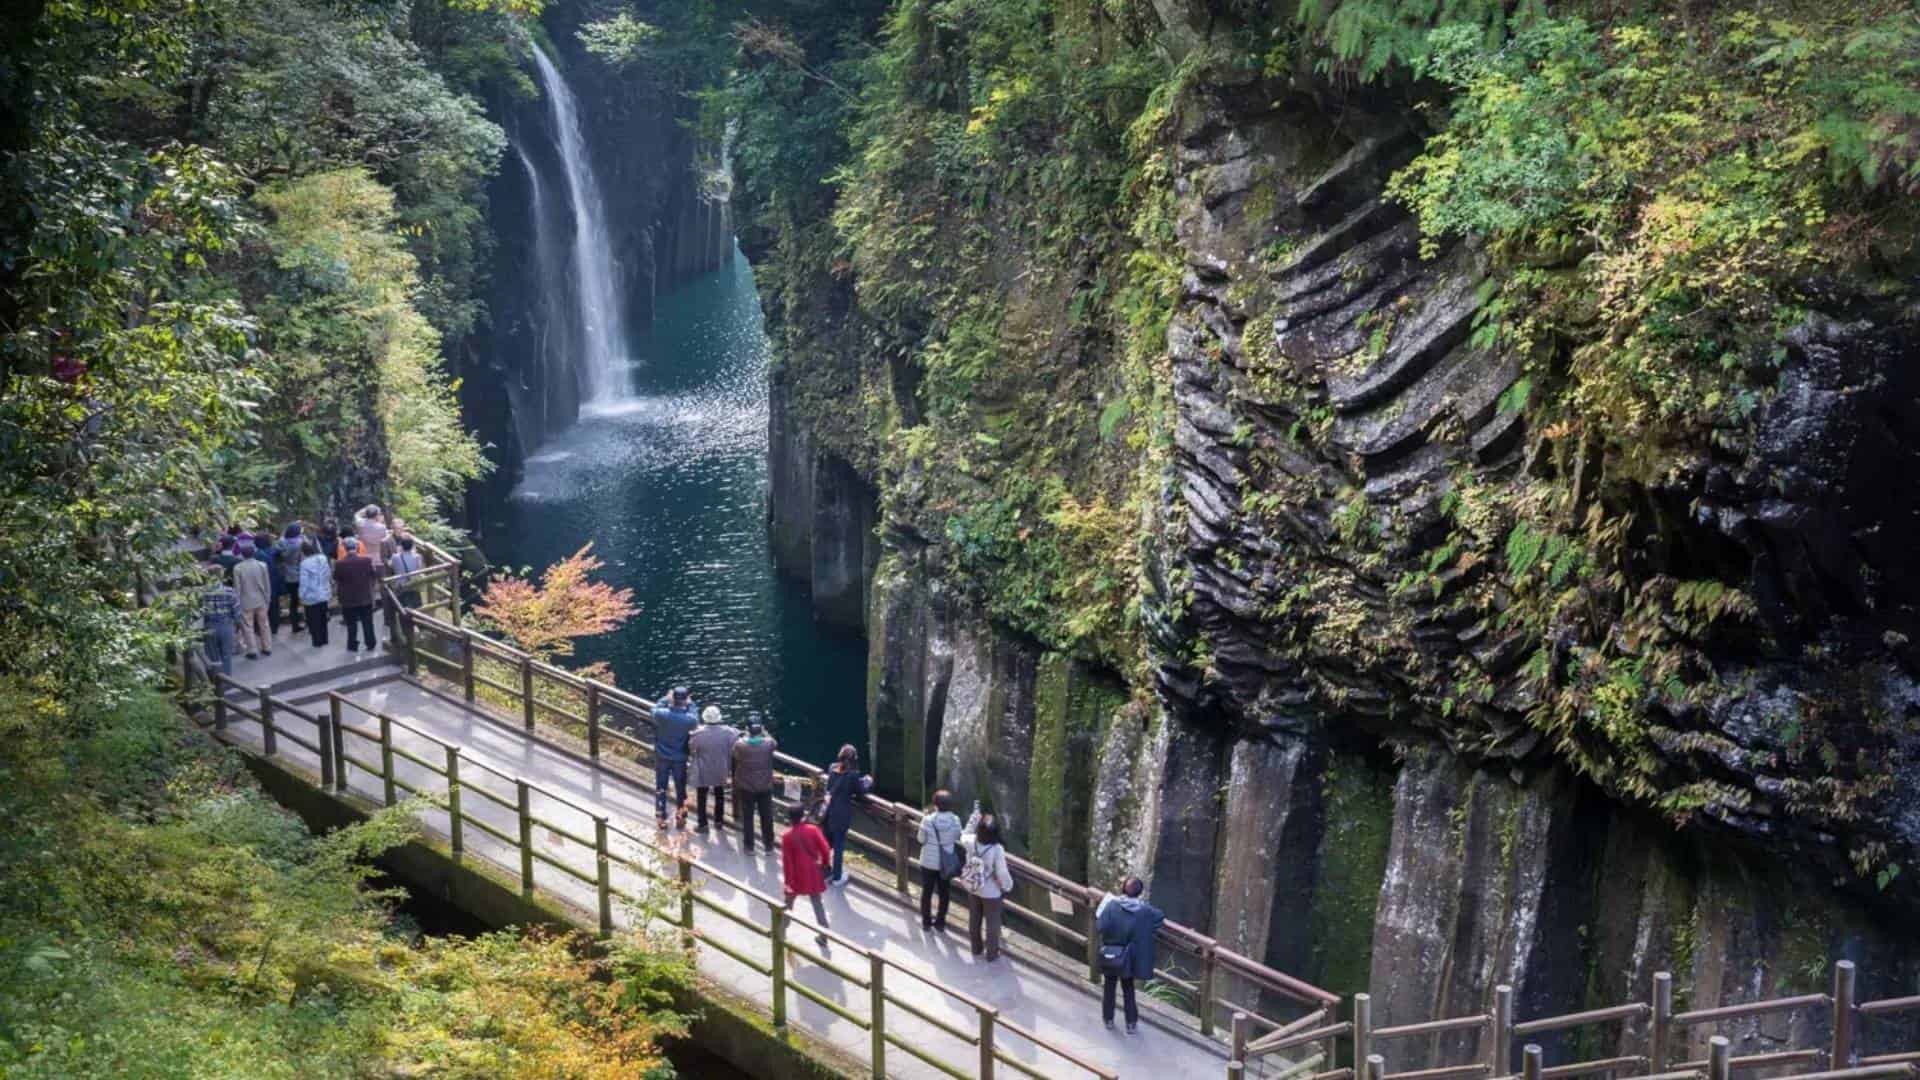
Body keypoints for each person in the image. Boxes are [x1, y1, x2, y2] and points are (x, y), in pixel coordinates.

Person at [1095, 876, 1166, 1034]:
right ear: (1140, 892)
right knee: (1128, 988)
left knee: (1109, 987)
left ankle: (1108, 1020)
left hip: (1111, 953)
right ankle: (1131, 1023)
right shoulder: (1145, 911)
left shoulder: (1112, 905)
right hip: (1129, 957)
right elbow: (1160, 916)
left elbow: (1100, 926)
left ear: (1122, 889)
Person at [780, 802, 832, 948]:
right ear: (803, 815)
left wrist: (788, 883)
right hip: (813, 872)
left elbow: (787, 863)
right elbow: (826, 849)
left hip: (796, 876)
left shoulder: (787, 836)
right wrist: (824, 864)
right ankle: (824, 935)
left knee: (788, 904)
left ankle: (781, 931)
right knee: (817, 904)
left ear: (790, 818)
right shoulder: (813, 830)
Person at [963, 812, 1014, 961]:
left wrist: (973, 818)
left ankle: (976, 948)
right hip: (991, 891)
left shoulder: (970, 841)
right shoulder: (997, 849)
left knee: (974, 918)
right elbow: (1002, 872)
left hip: (973, 885)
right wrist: (1008, 886)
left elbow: (964, 833)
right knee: (992, 923)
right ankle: (991, 954)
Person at [820, 744, 872, 885]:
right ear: (854, 759)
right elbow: (860, 793)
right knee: (838, 846)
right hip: (841, 816)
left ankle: (823, 871)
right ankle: (837, 877)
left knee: (826, 843)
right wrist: (867, 782)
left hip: (828, 812)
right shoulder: (853, 775)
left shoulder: (832, 768)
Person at [649, 686, 699, 828]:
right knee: (680, 788)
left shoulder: (661, 714)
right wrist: (691, 703)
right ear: (684, 700)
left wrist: (666, 698)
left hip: (662, 755)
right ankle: (681, 817)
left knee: (661, 786)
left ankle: (660, 817)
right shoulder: (689, 719)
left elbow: (655, 708)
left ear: (673, 699)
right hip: (680, 758)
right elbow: (695, 718)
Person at [917, 789, 964, 931]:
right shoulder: (955, 820)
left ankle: (926, 922)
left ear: (935, 804)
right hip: (946, 863)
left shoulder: (927, 819)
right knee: (944, 893)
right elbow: (957, 837)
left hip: (928, 863)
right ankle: (940, 922)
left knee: (927, 892)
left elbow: (921, 839)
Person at [687, 704, 739, 832]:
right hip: (721, 768)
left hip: (703, 769)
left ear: (705, 718)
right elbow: (736, 743)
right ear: (719, 718)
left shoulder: (698, 734)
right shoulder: (729, 732)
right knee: (719, 795)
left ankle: (702, 824)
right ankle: (719, 821)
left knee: (702, 796)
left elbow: (691, 749)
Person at [732, 715, 778, 854]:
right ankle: (769, 846)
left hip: (746, 786)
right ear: (761, 728)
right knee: (767, 816)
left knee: (748, 817)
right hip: (765, 785)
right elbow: (774, 743)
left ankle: (749, 847)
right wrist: (765, 732)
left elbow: (735, 754)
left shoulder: (740, 745)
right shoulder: (769, 743)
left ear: (747, 729)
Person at [332, 537, 378, 653]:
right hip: (364, 597)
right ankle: (370, 643)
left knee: (351, 624)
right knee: (367, 622)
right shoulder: (366, 560)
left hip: (348, 599)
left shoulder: (339, 564)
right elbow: (373, 574)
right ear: (357, 548)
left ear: (345, 548)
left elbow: (336, 578)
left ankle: (352, 645)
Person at [231, 540, 273, 659]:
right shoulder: (262, 565)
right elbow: (267, 584)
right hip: (261, 599)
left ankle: (252, 650)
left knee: (248, 626)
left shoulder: (237, 568)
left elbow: (237, 588)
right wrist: (268, 598)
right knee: (264, 624)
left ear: (242, 554)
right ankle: (267, 647)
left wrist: (237, 603)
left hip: (246, 600)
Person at [201, 565, 240, 677]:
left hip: (209, 625)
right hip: (226, 625)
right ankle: (227, 680)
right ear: (221, 575)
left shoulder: (203, 593)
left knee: (212, 655)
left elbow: (198, 612)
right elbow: (236, 611)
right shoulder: (230, 591)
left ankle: (214, 679)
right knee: (226, 655)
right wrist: (238, 625)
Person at [298, 537, 332, 648]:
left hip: (311, 596)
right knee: (323, 617)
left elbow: (304, 582)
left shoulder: (304, 564)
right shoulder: (322, 558)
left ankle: (317, 641)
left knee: (313, 619)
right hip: (323, 592)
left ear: (303, 552)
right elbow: (328, 573)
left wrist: (301, 595)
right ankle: (325, 638)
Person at [276, 524, 306, 634]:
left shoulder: (281, 543)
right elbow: (302, 559)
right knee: (304, 598)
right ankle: (306, 621)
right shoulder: (299, 544)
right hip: (298, 574)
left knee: (293, 601)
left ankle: (295, 625)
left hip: (287, 575)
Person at [388, 534, 424, 608]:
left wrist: (398, 552)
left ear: (401, 546)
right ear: (412, 546)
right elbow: (420, 569)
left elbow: (390, 565)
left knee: (402, 610)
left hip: (400, 586)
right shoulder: (418, 557)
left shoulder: (395, 557)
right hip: (414, 585)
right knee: (416, 608)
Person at [356, 504, 389, 573]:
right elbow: (385, 537)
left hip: (363, 556)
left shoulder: (360, 524)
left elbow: (356, 514)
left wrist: (367, 508)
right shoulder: (382, 527)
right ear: (377, 515)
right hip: (378, 558)